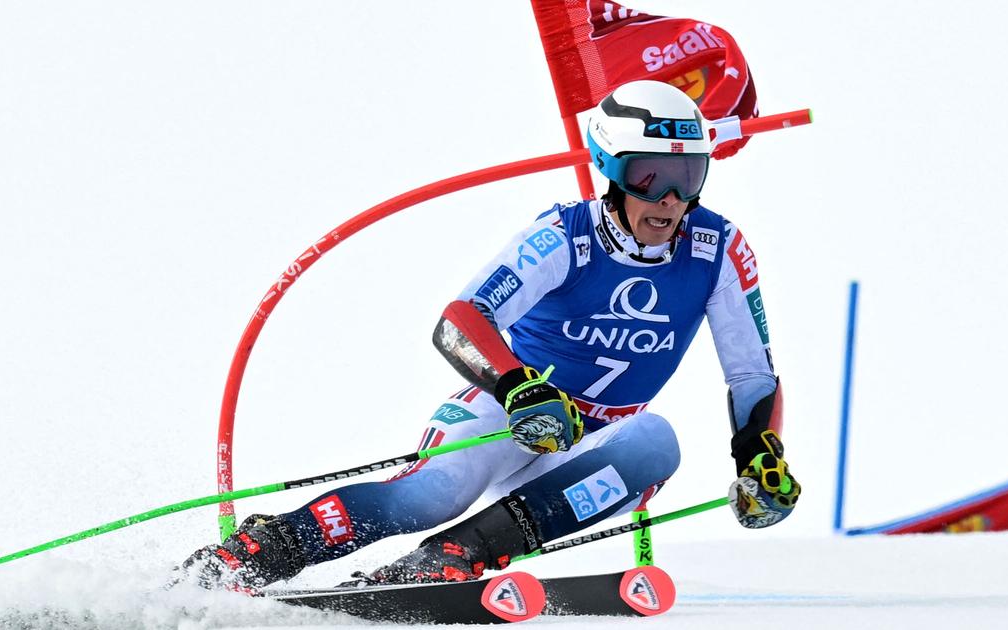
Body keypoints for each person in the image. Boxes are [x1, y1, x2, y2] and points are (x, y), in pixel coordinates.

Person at [176, 79, 801, 590]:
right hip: (510, 415)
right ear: (611, 171)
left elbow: (751, 374)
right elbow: (460, 323)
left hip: (587, 447)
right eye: (649, 178)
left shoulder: (718, 250)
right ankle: (262, 549)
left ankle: (448, 560)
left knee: (654, 445)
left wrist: (760, 456)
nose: (669, 200)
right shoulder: (564, 237)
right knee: (430, 496)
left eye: (688, 178)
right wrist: (518, 388)